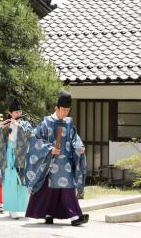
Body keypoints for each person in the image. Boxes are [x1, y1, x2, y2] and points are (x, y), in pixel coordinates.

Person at [25, 91, 89, 226]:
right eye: (63, 110)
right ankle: (49, 214)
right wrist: (49, 149)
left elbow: (74, 139)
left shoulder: (69, 122)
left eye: (68, 110)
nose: (65, 113)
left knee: (68, 187)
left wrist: (79, 147)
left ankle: (74, 216)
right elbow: (35, 138)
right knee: (49, 190)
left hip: (65, 161)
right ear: (56, 108)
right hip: (50, 161)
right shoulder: (46, 122)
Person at [0, 96, 34, 219]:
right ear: (10, 113)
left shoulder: (25, 123)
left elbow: (31, 134)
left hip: (21, 156)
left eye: (20, 112)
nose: (18, 114)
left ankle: (22, 207)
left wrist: (19, 126)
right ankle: (11, 208)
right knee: (9, 182)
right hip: (8, 155)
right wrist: (0, 129)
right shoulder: (5, 123)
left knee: (22, 182)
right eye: (16, 112)